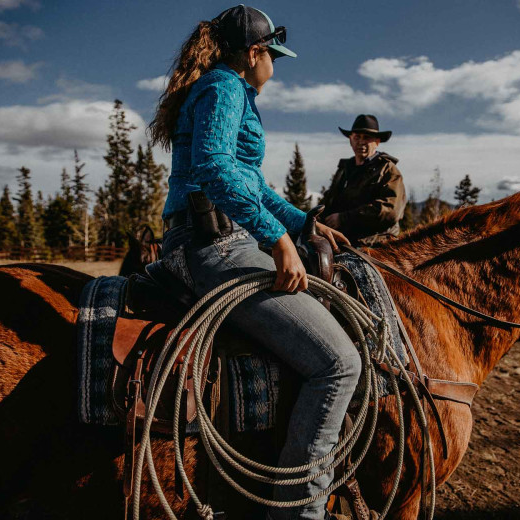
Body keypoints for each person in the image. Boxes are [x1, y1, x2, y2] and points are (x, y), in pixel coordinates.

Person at [148, 5, 360, 520]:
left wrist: (304, 225)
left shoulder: (224, 88)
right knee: (339, 364)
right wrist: (277, 237)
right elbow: (215, 167)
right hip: (215, 244)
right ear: (254, 52)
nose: (275, 69)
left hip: (209, 238)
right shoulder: (224, 86)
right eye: (274, 58)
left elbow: (252, 182)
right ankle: (297, 513)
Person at [320, 114, 407, 245]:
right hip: (344, 241)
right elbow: (329, 202)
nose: (361, 142)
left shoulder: (388, 170)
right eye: (357, 137)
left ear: (377, 142)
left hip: (377, 243)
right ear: (350, 139)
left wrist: (343, 219)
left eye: (367, 137)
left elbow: (391, 211)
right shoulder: (344, 170)